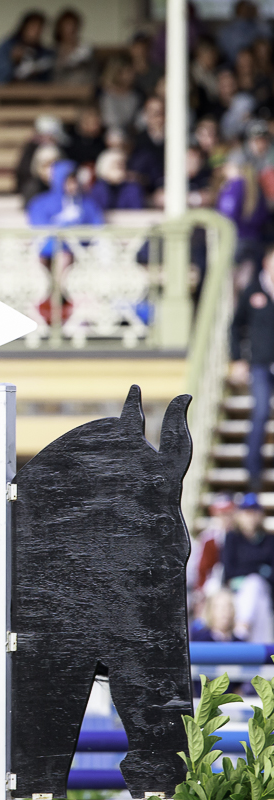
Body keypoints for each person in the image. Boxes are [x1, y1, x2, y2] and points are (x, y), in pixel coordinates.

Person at [230, 249, 274, 493]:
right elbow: (237, 325)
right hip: (260, 363)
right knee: (259, 413)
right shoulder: (254, 290)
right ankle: (252, 471)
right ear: (266, 264)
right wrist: (237, 358)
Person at [220, 493, 274, 641]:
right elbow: (229, 572)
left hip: (263, 590)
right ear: (240, 515)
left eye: (254, 512)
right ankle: (244, 633)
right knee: (255, 589)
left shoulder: (269, 540)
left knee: (255, 585)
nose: (250, 517)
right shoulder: (232, 537)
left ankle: (241, 632)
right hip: (237, 591)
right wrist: (259, 569)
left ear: (260, 515)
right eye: (246, 512)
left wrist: (251, 573)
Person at [217, 153, 268, 272]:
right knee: (246, 280)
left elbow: (226, 216)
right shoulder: (255, 185)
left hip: (236, 240)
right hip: (255, 240)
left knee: (231, 281)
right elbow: (264, 215)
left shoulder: (234, 186)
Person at [27, 159, 104, 229]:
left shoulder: (88, 203)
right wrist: (63, 224)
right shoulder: (40, 204)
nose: (74, 186)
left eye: (75, 181)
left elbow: (98, 226)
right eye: (69, 182)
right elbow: (40, 231)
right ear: (58, 181)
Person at [0, 10, 53, 85]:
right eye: (33, 27)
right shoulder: (7, 47)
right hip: (7, 93)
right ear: (24, 27)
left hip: (34, 93)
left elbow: (47, 80)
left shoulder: (43, 52)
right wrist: (12, 60)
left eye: (40, 28)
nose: (36, 32)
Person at [15, 115, 69, 197]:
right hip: (37, 188)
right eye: (44, 134)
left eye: (50, 135)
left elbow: (67, 170)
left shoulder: (62, 149)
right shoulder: (30, 148)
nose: (47, 138)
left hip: (60, 187)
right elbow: (23, 172)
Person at [126, 97, 166, 193]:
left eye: (158, 113)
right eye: (150, 112)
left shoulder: (176, 139)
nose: (155, 117)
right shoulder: (137, 139)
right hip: (145, 185)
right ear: (145, 115)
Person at [218, 0, 271, 65]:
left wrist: (257, 17)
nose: (246, 11)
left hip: (258, 64)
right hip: (234, 64)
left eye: (248, 9)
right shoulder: (228, 31)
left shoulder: (258, 25)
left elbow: (268, 36)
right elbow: (227, 53)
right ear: (237, 11)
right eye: (244, 9)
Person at [51, 8, 94, 85]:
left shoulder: (85, 49)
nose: (70, 30)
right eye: (66, 26)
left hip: (81, 89)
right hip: (58, 91)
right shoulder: (53, 50)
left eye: (73, 26)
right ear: (60, 29)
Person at [99, 58, 141, 133]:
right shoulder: (103, 93)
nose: (132, 74)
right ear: (118, 73)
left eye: (132, 71)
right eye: (128, 71)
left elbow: (138, 119)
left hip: (133, 130)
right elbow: (109, 120)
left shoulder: (137, 92)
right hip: (110, 132)